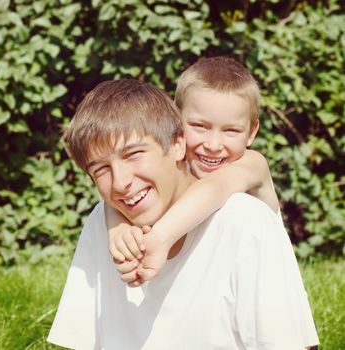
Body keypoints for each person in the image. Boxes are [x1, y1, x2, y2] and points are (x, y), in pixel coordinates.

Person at [47, 79, 319, 349]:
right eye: (100, 170)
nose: (120, 182)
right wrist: (114, 224)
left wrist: (160, 237)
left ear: (179, 144)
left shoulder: (244, 219)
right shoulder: (104, 221)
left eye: (133, 155)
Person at [106, 57, 277, 284]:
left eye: (231, 131)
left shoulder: (253, 164)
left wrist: (160, 238)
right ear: (175, 120)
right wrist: (118, 228)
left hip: (257, 286)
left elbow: (217, 186)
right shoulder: (177, 168)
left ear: (252, 131)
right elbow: (125, 192)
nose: (214, 145)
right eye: (199, 126)